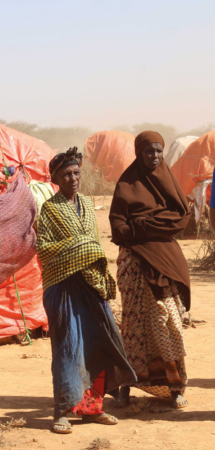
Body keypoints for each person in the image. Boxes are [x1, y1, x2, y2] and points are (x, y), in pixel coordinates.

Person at [36, 147, 136, 434]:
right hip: (64, 289)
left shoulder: (88, 207)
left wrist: (92, 256)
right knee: (68, 350)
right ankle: (63, 410)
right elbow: (43, 250)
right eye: (66, 174)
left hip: (91, 287)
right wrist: (84, 249)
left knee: (98, 346)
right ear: (56, 178)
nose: (73, 178)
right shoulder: (50, 209)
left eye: (76, 172)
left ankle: (92, 410)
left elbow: (95, 246)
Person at [109, 131, 191, 409]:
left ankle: (175, 386)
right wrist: (154, 224)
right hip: (133, 265)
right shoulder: (126, 184)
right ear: (138, 153)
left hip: (165, 264)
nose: (154, 156)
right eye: (148, 151)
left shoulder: (169, 182)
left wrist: (141, 225)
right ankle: (126, 385)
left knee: (168, 322)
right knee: (133, 327)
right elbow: (118, 230)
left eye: (158, 151)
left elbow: (180, 221)